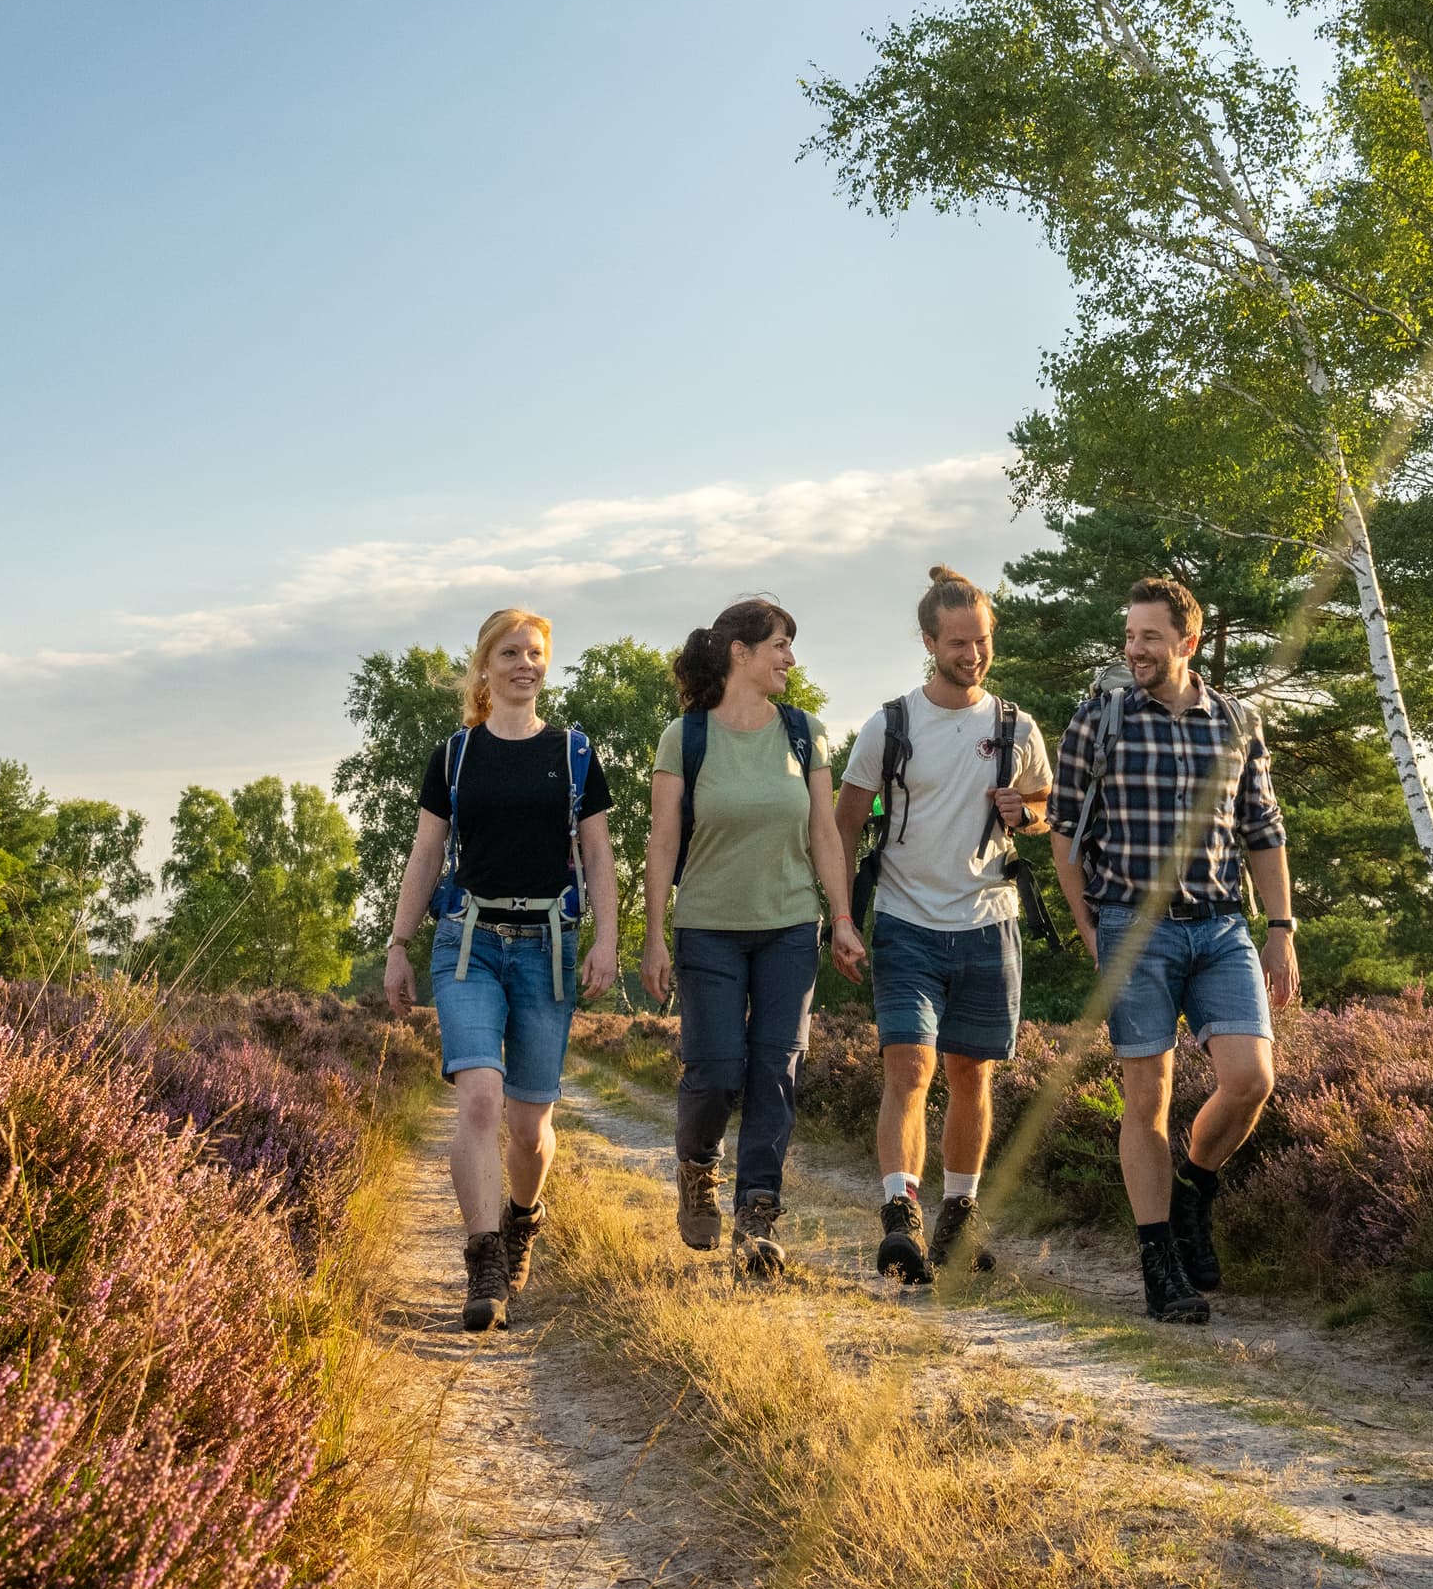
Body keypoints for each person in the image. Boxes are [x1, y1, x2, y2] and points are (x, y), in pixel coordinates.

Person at [1045, 574, 1298, 1327]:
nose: (1135, 650)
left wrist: (1280, 930)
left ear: (1187, 642)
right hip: (1135, 929)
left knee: (1252, 1079)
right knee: (1147, 1098)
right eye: (1129, 637)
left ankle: (1195, 1187)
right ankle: (1159, 1259)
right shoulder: (1102, 720)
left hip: (1222, 928)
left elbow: (1264, 833)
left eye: (1149, 637)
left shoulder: (1238, 723)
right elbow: (1062, 832)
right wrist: (1091, 927)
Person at [382, 607, 620, 1332]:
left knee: (529, 1125)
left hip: (547, 944)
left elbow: (601, 856)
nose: (525, 663)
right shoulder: (455, 756)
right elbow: (427, 854)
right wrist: (398, 942)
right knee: (479, 1100)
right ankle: (484, 1262)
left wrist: (607, 937)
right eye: (510, 652)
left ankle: (523, 1217)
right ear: (484, 667)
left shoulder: (575, 753)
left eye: (536, 653)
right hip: (468, 941)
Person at [834, 565, 1050, 1283]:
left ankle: (960, 1216)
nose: (973, 654)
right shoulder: (888, 725)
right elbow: (840, 824)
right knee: (910, 1067)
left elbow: (1044, 805)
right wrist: (841, 915)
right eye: (958, 642)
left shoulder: (1016, 725)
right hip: (905, 920)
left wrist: (1031, 812)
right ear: (929, 641)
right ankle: (901, 1216)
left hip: (990, 921)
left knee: (971, 1072)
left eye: (982, 640)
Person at [642, 595, 865, 1271]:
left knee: (776, 1070)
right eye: (779, 645)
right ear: (740, 652)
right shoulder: (686, 737)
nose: (790, 660)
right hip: (707, 926)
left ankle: (758, 1216)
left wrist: (844, 919)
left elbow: (825, 833)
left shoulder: (805, 731)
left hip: (790, 926)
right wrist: (653, 936)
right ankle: (697, 1168)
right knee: (715, 1070)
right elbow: (661, 843)